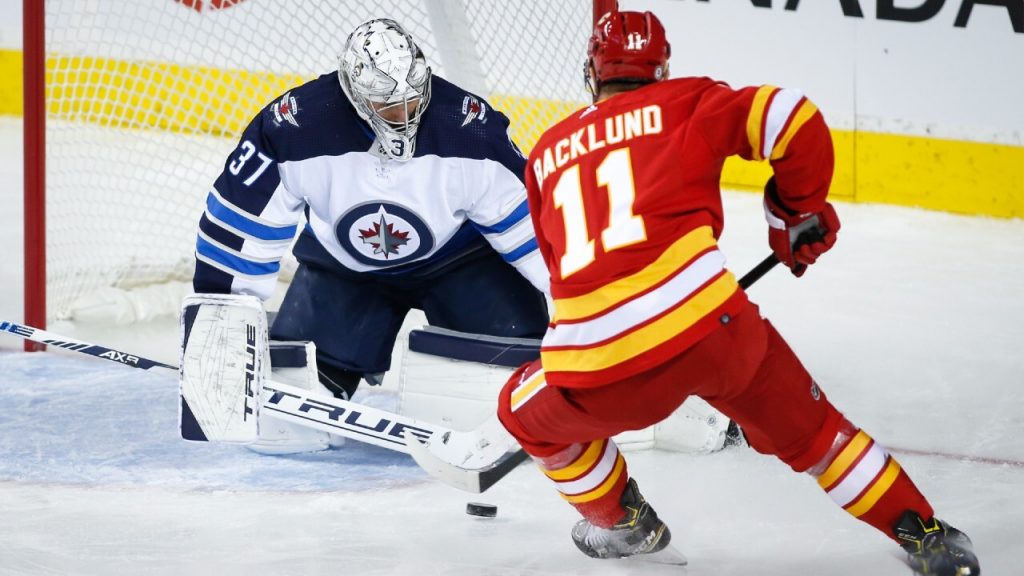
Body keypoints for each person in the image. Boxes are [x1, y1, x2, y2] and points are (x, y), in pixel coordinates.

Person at [495, 10, 980, 576]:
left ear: (592, 72)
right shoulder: (686, 101)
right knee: (819, 436)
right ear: (663, 66)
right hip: (715, 331)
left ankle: (624, 523)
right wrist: (795, 212)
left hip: (600, 364)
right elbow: (792, 117)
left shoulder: (549, 152)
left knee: (519, 412)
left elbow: (560, 269)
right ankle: (929, 537)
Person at [191, 19, 549, 450]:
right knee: (287, 426)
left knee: (522, 397)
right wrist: (219, 327)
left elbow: (536, 231)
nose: (404, 116)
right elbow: (239, 226)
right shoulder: (293, 128)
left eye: (413, 101)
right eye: (387, 106)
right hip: (347, 273)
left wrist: (586, 313)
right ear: (356, 94)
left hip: (464, 264)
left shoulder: (470, 128)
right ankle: (332, 366)